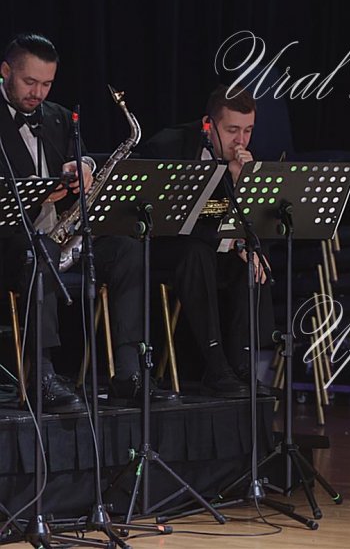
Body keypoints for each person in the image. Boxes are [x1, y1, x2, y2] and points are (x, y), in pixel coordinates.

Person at [0, 33, 179, 411]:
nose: (38, 93)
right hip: (12, 241)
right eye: (29, 82)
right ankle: (41, 375)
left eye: (46, 84)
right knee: (41, 253)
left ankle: (128, 373)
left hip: (61, 233)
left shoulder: (59, 116)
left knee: (127, 249)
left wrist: (82, 166)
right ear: (5, 71)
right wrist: (36, 194)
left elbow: (78, 158)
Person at [141, 85, 274, 398]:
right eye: (232, 130)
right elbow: (169, 219)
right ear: (208, 124)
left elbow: (251, 225)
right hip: (167, 248)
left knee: (252, 259)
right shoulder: (170, 145)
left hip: (214, 248)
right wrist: (233, 242)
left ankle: (242, 363)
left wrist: (241, 183)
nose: (240, 141)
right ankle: (215, 366)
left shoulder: (243, 160)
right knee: (197, 251)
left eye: (248, 131)